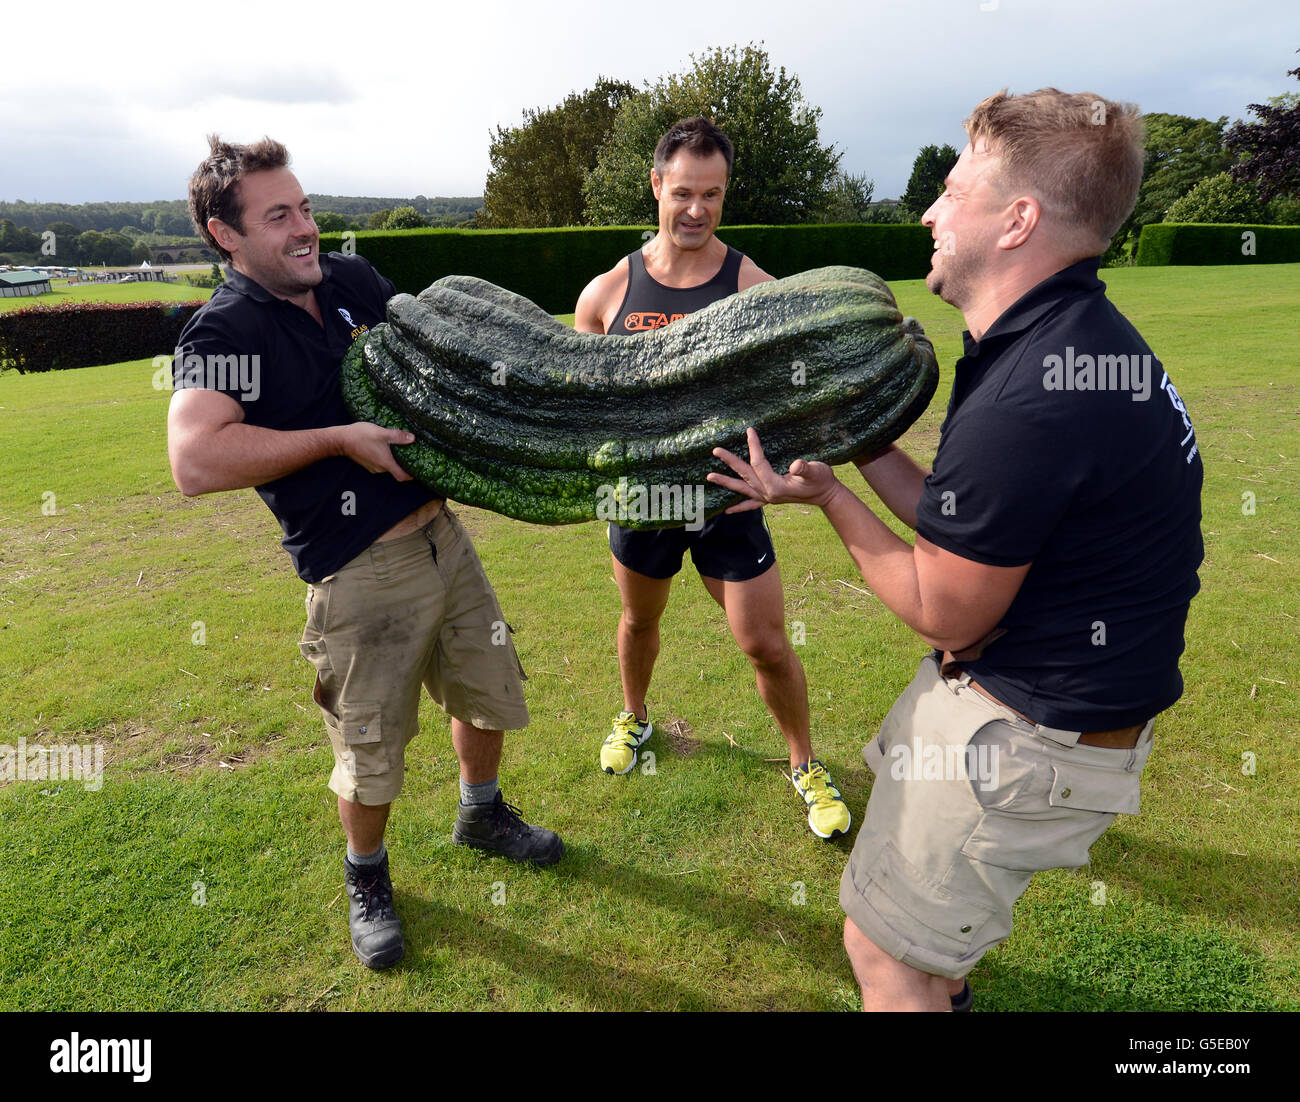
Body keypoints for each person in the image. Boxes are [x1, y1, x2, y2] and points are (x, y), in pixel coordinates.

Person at [709, 88, 1203, 1010]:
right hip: (1051, 709)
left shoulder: (1034, 397)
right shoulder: (1069, 342)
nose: (929, 213)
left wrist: (829, 501)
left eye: (951, 188)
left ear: (1017, 220)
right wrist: (853, 439)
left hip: (1027, 731)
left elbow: (947, 608)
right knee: (927, 942)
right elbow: (965, 516)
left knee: (884, 951)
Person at [167, 136, 562, 972]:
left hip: (442, 536)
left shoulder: (347, 282)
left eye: (305, 207)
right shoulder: (225, 329)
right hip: (358, 573)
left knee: (486, 693)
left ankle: (481, 812)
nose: (305, 228)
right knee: (371, 747)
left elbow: (428, 352)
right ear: (224, 235)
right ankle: (368, 878)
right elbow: (195, 460)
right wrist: (337, 440)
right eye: (279, 217)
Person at [574, 117, 850, 840]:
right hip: (642, 501)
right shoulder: (606, 294)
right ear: (658, 185)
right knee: (639, 620)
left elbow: (798, 388)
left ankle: (804, 762)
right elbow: (584, 414)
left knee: (765, 644)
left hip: (727, 505)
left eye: (714, 196)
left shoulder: (752, 286)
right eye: (685, 193)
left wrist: (773, 468)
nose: (697, 210)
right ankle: (634, 718)